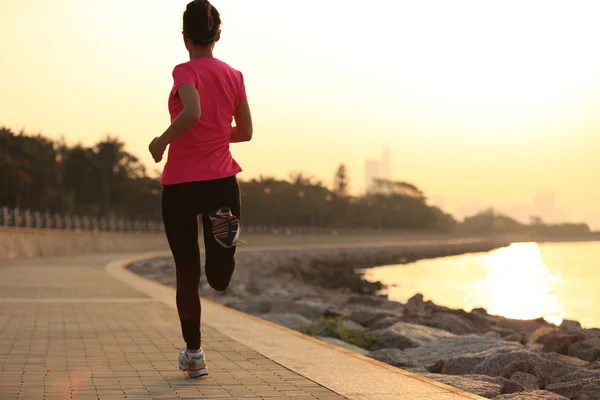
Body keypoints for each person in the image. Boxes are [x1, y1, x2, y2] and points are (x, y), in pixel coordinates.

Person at [148, 0, 253, 379]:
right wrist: (215, 135)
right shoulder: (233, 74)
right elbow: (246, 132)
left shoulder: (185, 70)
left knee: (186, 273)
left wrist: (162, 140)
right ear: (218, 35)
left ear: (185, 36)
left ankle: (194, 355)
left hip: (180, 184)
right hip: (222, 182)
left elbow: (190, 112)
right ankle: (223, 250)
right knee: (218, 277)